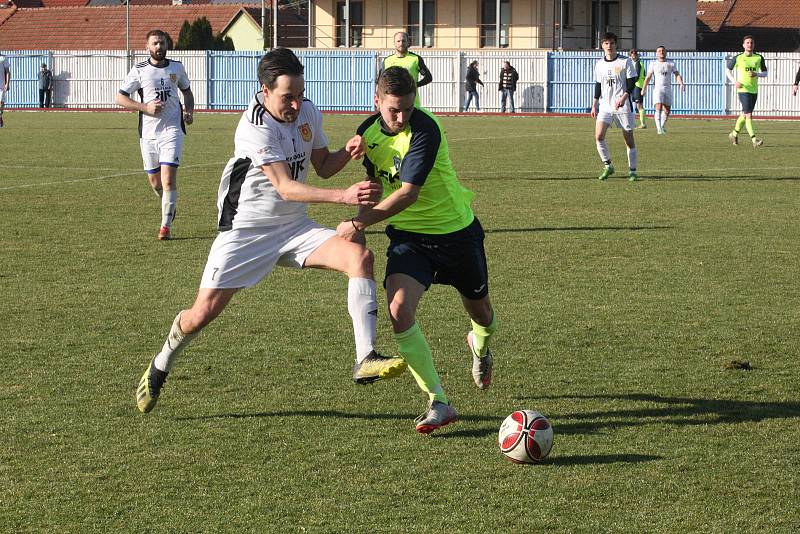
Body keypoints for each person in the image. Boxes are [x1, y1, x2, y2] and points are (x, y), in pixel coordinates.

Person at [135, 48, 406, 414]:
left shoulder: (307, 110)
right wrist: (344, 196)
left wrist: (347, 151)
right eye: (286, 97)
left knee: (360, 257)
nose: (295, 105)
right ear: (265, 92)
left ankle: (365, 357)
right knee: (201, 315)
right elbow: (284, 186)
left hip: (294, 226)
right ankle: (161, 362)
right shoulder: (254, 125)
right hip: (246, 231)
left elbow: (323, 166)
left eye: (299, 94)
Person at [336, 66, 498, 435]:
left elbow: (407, 193)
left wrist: (358, 224)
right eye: (393, 109)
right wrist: (360, 208)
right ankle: (438, 401)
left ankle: (480, 346)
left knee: (483, 315)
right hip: (410, 239)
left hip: (456, 234)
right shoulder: (367, 133)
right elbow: (376, 183)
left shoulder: (425, 129)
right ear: (376, 101)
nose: (401, 116)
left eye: (407, 108)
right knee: (398, 309)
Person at [115, 29, 195, 241]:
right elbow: (121, 98)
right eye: (155, 44)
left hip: (172, 130)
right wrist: (144, 107)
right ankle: (168, 204)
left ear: (167, 45)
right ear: (147, 47)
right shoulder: (139, 70)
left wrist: (189, 111)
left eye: (162, 43)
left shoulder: (177, 67)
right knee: (156, 183)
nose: (159, 47)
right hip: (149, 133)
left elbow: (186, 91)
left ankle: (165, 226)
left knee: (168, 180)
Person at [590, 32, 639, 182]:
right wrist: (594, 104)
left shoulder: (625, 62)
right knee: (598, 136)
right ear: (602, 45)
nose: (609, 46)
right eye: (606, 43)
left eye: (611, 43)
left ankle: (632, 171)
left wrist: (624, 98)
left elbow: (632, 82)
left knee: (628, 139)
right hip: (605, 106)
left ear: (616, 44)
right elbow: (598, 85)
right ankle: (608, 166)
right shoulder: (599, 64)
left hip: (623, 107)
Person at [726, 35, 766, 147]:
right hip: (743, 89)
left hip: (754, 90)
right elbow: (727, 70)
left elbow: (765, 73)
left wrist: (756, 74)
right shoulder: (738, 57)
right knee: (749, 114)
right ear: (743, 45)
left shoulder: (759, 58)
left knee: (744, 114)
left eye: (751, 43)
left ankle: (734, 134)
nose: (750, 44)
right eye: (747, 42)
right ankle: (754, 141)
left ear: (754, 45)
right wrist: (734, 81)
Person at [641, 46, 686, 135]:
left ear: (665, 52)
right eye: (659, 51)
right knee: (659, 107)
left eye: (663, 51)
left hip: (668, 88)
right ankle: (658, 128)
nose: (661, 52)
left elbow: (677, 74)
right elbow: (648, 77)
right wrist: (644, 88)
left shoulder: (671, 63)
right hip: (658, 88)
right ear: (656, 53)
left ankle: (662, 126)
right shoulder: (653, 64)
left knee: (667, 110)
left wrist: (681, 83)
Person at [381, 31, 432, 107]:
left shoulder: (415, 59)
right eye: (398, 41)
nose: (401, 43)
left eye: (403, 41)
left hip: (412, 104)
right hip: (391, 105)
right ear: (394, 43)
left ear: (408, 42)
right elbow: (381, 81)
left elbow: (428, 77)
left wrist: (415, 85)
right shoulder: (387, 60)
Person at [628, 49, 647, 129]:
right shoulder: (634, 63)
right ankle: (634, 123)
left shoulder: (638, 63)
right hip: (636, 85)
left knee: (639, 105)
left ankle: (643, 124)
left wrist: (631, 83)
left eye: (635, 54)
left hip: (637, 85)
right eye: (632, 54)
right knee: (634, 105)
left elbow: (638, 75)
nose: (633, 56)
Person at [0, 53, 10, 128]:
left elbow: (7, 72)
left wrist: (7, 83)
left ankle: (0, 117)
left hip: (1, 86)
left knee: (1, 104)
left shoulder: (3, 58)